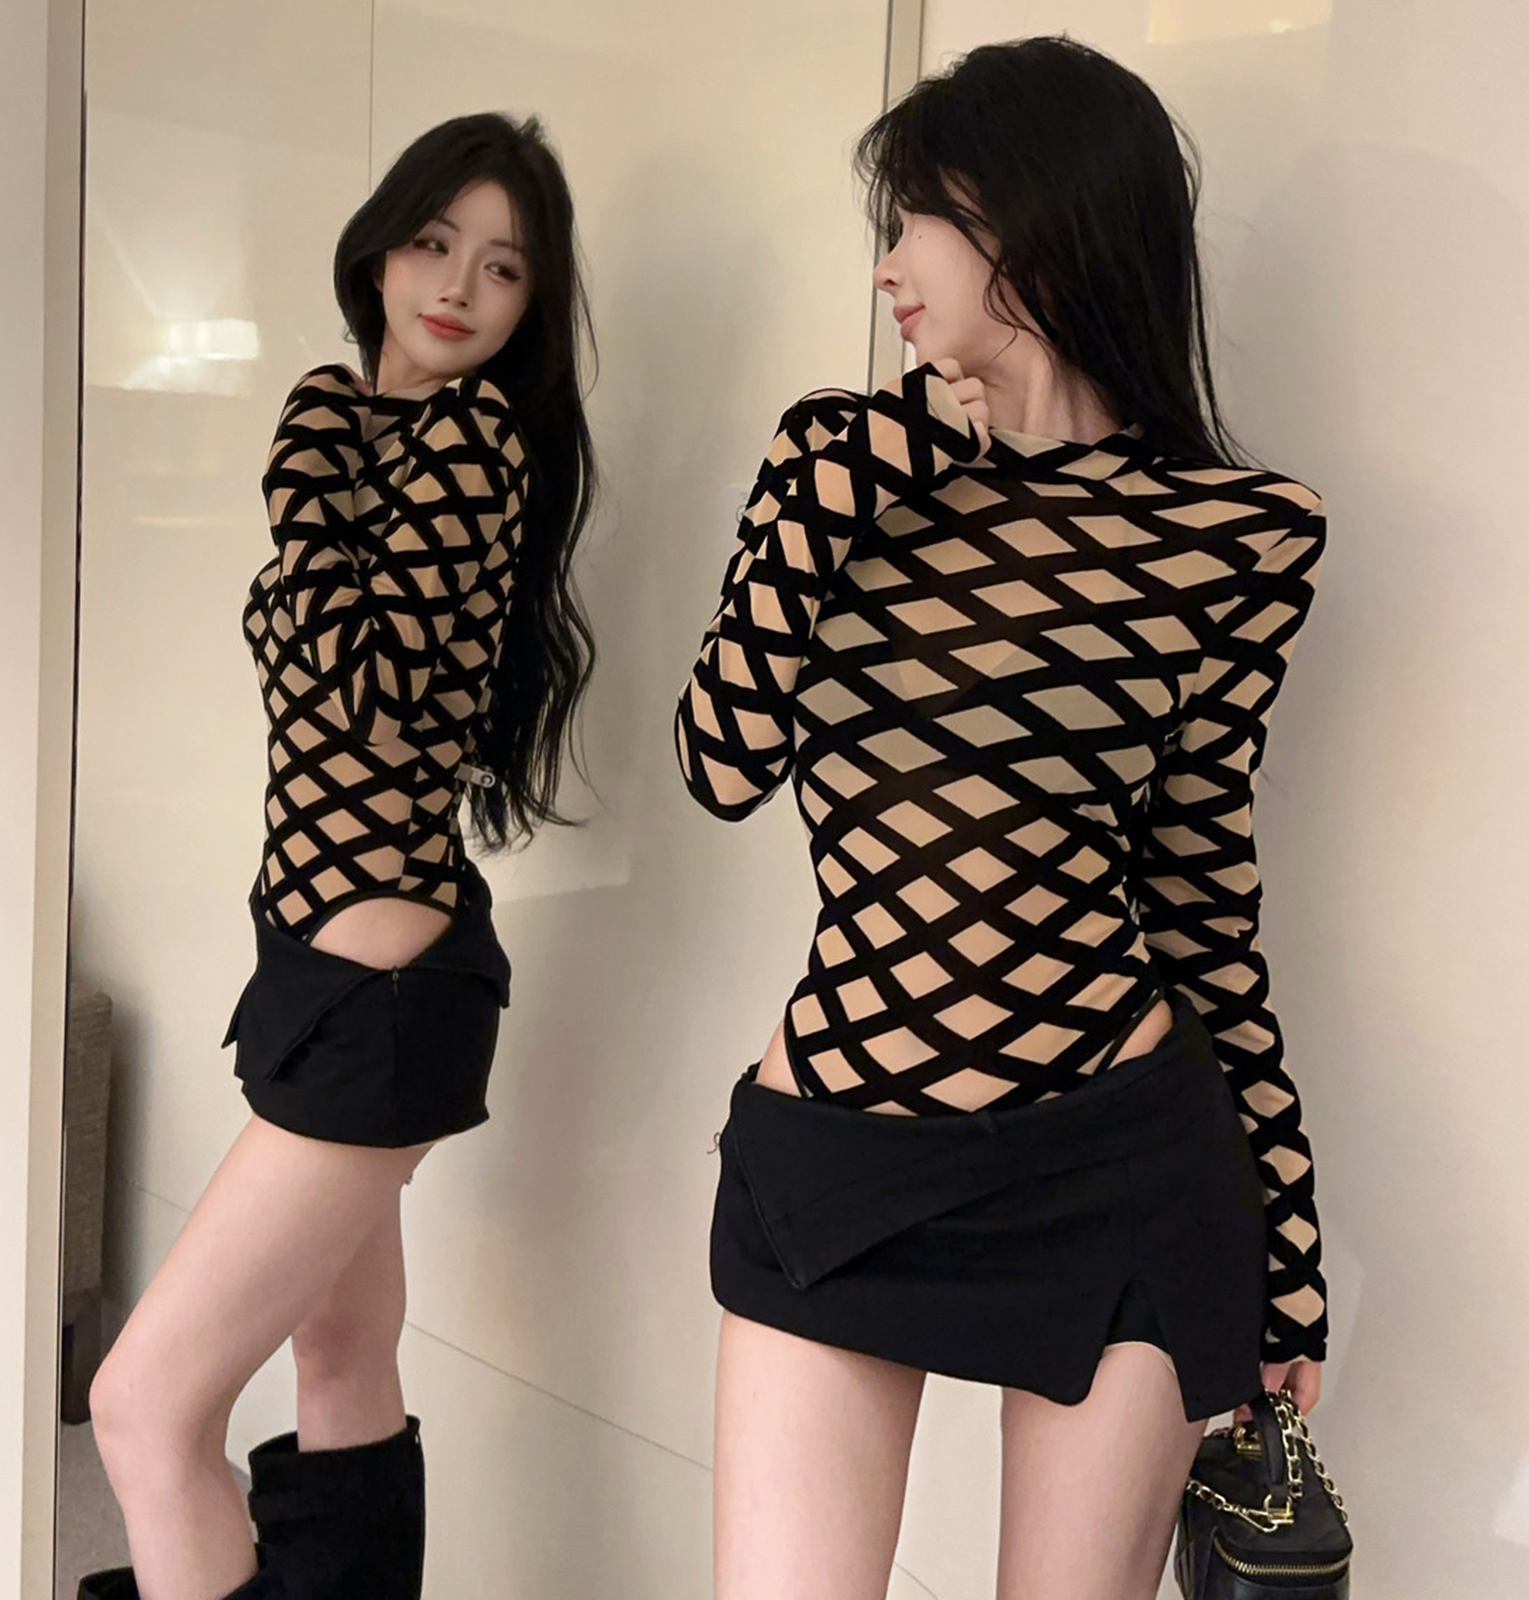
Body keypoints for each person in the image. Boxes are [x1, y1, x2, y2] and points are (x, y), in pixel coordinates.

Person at [675, 37, 1330, 1600]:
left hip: (1118, 1169)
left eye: (916, 218)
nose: (888, 264)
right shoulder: (836, 457)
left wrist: (1291, 1247)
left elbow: (1201, 907)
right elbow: (720, 758)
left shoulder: (1239, 534)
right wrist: (875, 463)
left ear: (1029, 219)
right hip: (836, 1170)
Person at [81, 112, 596, 1600]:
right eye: (435, 243)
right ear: (378, 251)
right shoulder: (373, 432)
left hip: (382, 999)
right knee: (342, 1345)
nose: (459, 287)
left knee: (138, 1406)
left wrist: (301, 481)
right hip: (323, 964)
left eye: (503, 267)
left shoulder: (470, 443)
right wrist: (326, 456)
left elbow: (369, 690)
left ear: (530, 305)